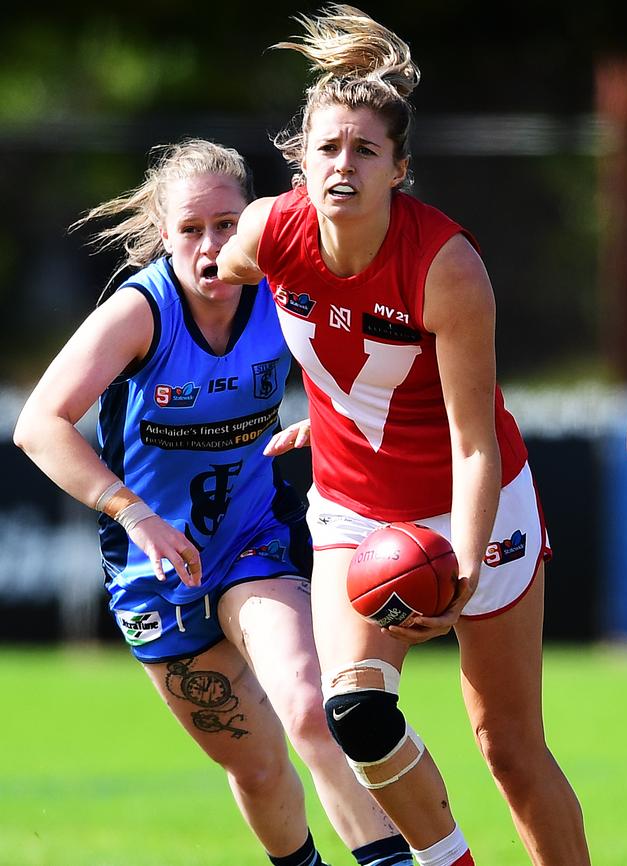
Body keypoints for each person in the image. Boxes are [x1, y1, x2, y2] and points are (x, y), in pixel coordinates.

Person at [216, 7, 593, 866]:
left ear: (400, 170)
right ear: (299, 160)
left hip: (475, 512)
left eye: (365, 151)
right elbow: (203, 269)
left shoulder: (446, 267)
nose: (342, 165)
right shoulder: (271, 232)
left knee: (510, 751)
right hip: (354, 510)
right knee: (355, 711)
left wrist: (459, 566)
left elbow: (474, 444)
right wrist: (169, 263)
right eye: (326, 149)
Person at [13, 138, 415, 866]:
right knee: (256, 769)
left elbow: (363, 366)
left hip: (256, 541)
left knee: (310, 709)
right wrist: (133, 514)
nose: (211, 247)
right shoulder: (142, 313)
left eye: (227, 225)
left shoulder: (286, 292)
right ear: (164, 237)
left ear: (254, 222)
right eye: (191, 230)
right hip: (158, 571)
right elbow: (38, 424)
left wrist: (333, 423)